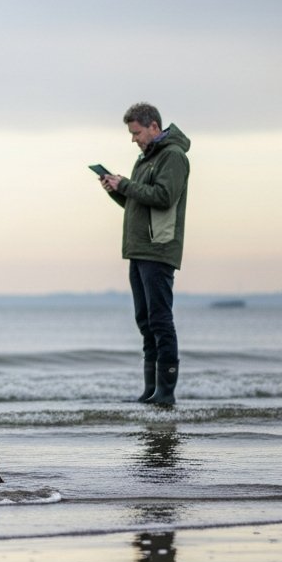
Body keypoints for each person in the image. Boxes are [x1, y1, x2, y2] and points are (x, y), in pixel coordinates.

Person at [99, 103, 190, 406]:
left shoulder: (173, 157)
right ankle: (150, 391)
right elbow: (139, 205)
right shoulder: (146, 159)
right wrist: (116, 190)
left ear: (153, 126)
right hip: (138, 250)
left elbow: (164, 198)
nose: (133, 139)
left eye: (136, 132)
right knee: (145, 321)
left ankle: (166, 393)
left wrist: (126, 184)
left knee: (160, 321)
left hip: (159, 249)